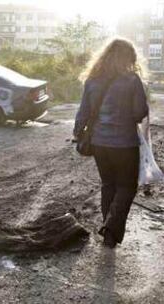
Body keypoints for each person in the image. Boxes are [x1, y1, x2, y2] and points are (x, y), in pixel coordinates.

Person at [74, 39, 149, 248]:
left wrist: (78, 134)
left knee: (109, 185)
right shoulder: (132, 80)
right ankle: (110, 229)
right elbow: (138, 113)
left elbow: (82, 113)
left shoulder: (92, 80)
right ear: (128, 58)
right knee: (126, 186)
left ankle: (109, 231)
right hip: (124, 144)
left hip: (99, 143)